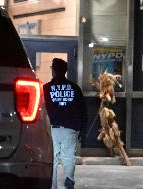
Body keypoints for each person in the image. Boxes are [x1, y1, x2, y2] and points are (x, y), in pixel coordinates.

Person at [43, 58, 88, 189]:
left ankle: (52, 186)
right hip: (70, 129)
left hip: (51, 129)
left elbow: (41, 109)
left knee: (53, 160)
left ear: (53, 70)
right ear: (65, 71)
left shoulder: (45, 89)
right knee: (69, 158)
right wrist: (83, 130)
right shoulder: (75, 89)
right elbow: (83, 111)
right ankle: (69, 180)